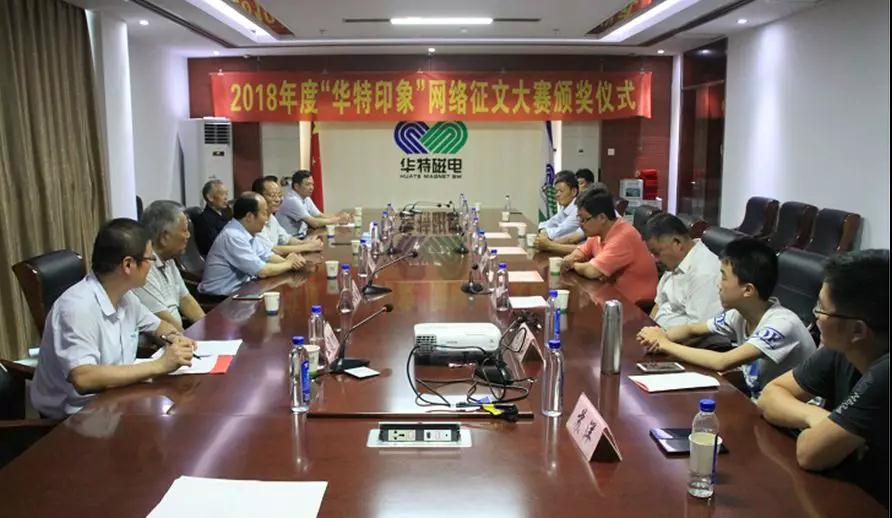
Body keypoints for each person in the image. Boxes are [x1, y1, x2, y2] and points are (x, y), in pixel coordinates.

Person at [757, 250, 888, 506]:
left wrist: (822, 429)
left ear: (857, 330)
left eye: (822, 308)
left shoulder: (885, 372)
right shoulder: (843, 348)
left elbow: (810, 453)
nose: (815, 315)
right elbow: (770, 395)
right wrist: (816, 416)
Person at [30, 219, 197, 418]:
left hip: (116, 400)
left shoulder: (125, 297)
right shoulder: (77, 308)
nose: (152, 265)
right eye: (149, 259)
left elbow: (159, 326)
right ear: (128, 264)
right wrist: (160, 365)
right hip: (75, 417)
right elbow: (84, 378)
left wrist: (173, 338)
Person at [637, 238, 816, 398]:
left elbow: (722, 361)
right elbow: (692, 329)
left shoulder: (780, 325)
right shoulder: (738, 315)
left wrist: (665, 344)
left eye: (723, 277)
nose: (718, 285)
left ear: (748, 290)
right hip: (758, 401)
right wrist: (659, 336)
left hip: (793, 415)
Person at [560, 188, 657, 303]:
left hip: (634, 305)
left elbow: (592, 271)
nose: (581, 224)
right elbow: (582, 251)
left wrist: (573, 265)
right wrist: (572, 258)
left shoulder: (623, 236)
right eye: (579, 218)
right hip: (610, 296)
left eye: (584, 219)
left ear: (602, 218)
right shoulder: (598, 232)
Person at [199, 193, 306, 296]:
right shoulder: (233, 236)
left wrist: (292, 262)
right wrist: (288, 264)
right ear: (249, 216)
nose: (266, 219)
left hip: (241, 290)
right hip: (221, 300)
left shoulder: (246, 232)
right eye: (264, 214)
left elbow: (267, 256)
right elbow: (262, 271)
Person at [134, 200, 206, 331]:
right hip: (164, 340)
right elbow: (164, 322)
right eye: (184, 230)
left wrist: (207, 328)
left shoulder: (169, 260)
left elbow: (186, 300)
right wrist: (190, 341)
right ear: (164, 237)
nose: (188, 235)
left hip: (180, 336)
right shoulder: (144, 267)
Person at [644, 213, 722, 328]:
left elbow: (698, 329)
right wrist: (647, 328)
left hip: (676, 338)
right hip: (657, 333)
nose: (655, 259)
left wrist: (659, 337)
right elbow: (658, 304)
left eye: (656, 253)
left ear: (677, 243)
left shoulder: (704, 273)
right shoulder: (673, 263)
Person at [251, 176, 324, 255]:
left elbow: (287, 239)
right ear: (259, 197)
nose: (278, 199)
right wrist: (307, 247)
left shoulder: (271, 218)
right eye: (272, 195)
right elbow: (272, 249)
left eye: (279, 195)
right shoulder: (254, 221)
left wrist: (307, 243)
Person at [276, 170, 350, 237]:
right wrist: (338, 219)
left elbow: (319, 215)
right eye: (307, 184)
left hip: (301, 236)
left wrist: (337, 215)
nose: (311, 187)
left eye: (312, 184)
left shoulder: (306, 198)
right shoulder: (292, 200)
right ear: (296, 186)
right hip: (290, 240)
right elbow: (314, 223)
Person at [534, 170, 581, 248]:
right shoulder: (565, 207)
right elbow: (551, 222)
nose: (557, 195)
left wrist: (543, 232)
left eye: (561, 191)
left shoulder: (578, 210)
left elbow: (559, 232)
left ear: (574, 191)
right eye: (556, 191)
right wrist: (541, 229)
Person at [194, 179, 231, 256]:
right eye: (222, 194)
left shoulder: (226, 214)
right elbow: (216, 246)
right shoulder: (205, 220)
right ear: (210, 197)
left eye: (226, 194)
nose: (226, 198)